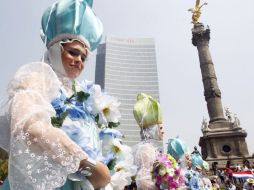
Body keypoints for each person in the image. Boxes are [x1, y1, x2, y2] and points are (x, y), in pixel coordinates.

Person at [0, 0, 116, 189]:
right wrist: (87, 166)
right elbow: (29, 127)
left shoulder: (82, 95)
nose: (79, 61)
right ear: (55, 48)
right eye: (73, 52)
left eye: (84, 57)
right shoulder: (37, 76)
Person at [132, 93, 164, 190]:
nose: (163, 131)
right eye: (161, 127)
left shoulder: (149, 147)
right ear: (153, 128)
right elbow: (142, 181)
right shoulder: (146, 148)